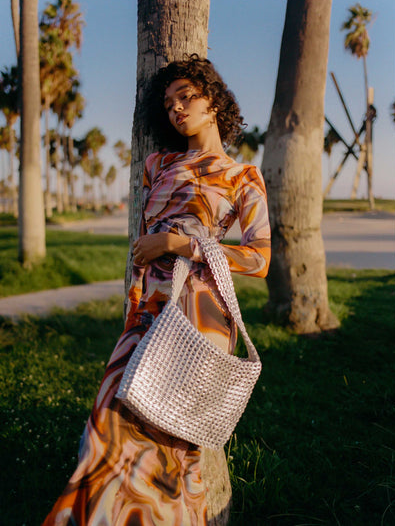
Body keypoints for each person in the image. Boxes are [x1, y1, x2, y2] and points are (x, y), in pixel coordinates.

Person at [42, 54, 271, 526]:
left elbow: (260, 259)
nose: (176, 109)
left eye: (187, 97)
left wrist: (179, 244)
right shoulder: (156, 164)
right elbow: (144, 241)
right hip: (147, 307)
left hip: (200, 312)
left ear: (214, 104)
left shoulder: (243, 176)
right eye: (168, 104)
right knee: (107, 422)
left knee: (172, 442)